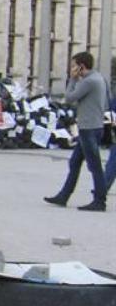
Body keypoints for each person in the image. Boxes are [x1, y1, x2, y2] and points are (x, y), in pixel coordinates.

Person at [43, 52, 108, 212]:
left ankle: (100, 200)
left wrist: (72, 79)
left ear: (81, 66)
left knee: (95, 166)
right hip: (94, 126)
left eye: (74, 66)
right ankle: (63, 196)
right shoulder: (99, 78)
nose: (72, 69)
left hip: (88, 128)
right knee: (74, 162)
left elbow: (69, 98)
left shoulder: (89, 81)